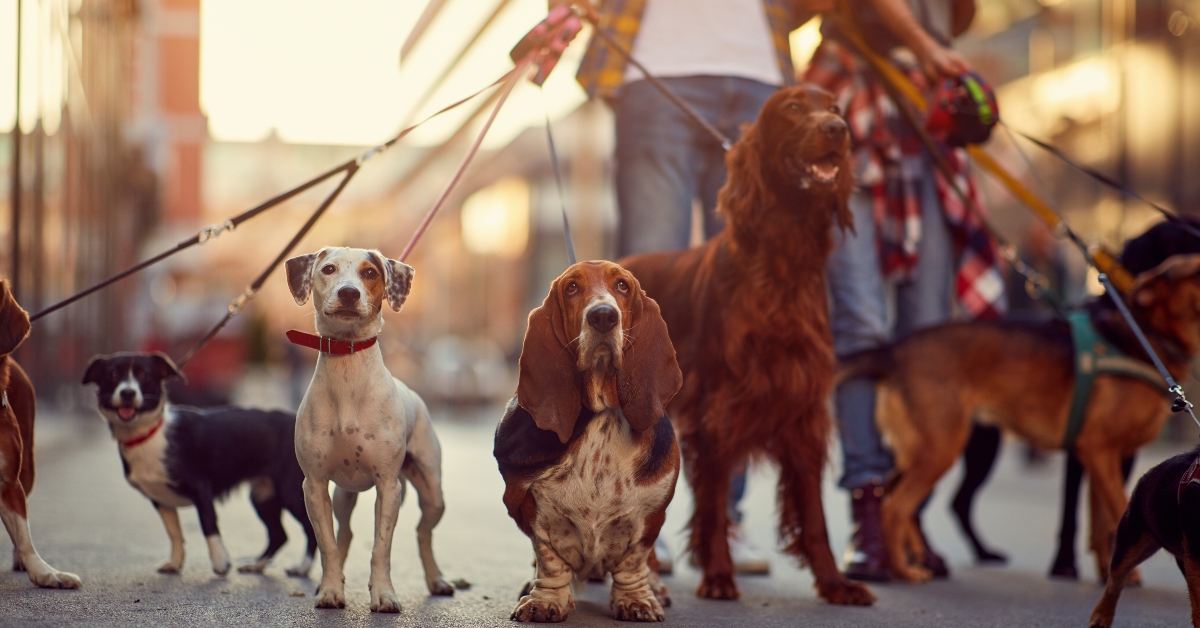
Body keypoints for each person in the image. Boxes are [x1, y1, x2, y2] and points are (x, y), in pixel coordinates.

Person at [557, 0, 817, 575]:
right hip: (656, 68)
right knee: (640, 306)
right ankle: (632, 515)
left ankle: (723, 519)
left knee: (743, 317)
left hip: (761, 77)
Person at [804, 0, 1007, 582]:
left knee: (929, 339)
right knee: (861, 329)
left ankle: (905, 512)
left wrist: (932, 52)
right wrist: (920, 41)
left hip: (925, 110)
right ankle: (868, 510)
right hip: (851, 85)